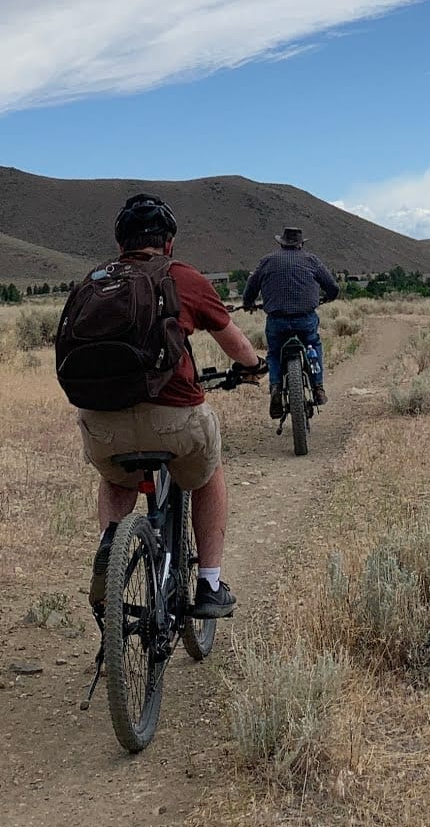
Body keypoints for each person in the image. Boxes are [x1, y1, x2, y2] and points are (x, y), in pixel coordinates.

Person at [80, 194, 264, 621]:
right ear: (169, 243)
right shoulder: (183, 278)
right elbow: (235, 344)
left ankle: (112, 546)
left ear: (121, 242)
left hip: (102, 422)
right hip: (174, 419)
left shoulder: (94, 281)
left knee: (116, 475)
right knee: (209, 471)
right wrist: (253, 367)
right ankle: (210, 584)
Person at [242, 226, 339, 416]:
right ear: (300, 244)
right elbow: (333, 287)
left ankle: (276, 387)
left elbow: (251, 286)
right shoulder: (311, 260)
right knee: (313, 344)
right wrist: (328, 298)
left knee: (274, 353)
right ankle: (318, 387)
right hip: (305, 320)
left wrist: (248, 303)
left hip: (277, 321)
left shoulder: (267, 261)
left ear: (281, 243)